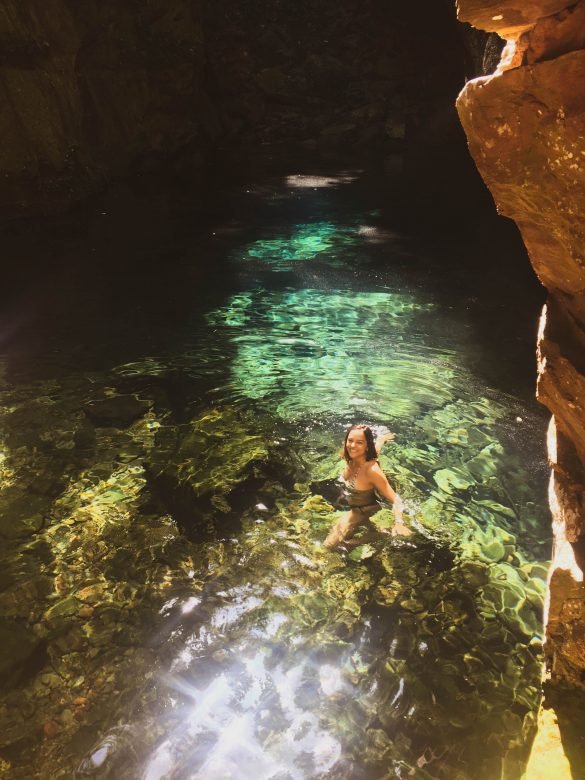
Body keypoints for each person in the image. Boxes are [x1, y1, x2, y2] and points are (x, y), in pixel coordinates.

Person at [323, 424, 411, 548]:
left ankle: (383, 534)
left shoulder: (372, 471)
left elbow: (396, 499)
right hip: (350, 504)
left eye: (359, 442)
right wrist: (381, 440)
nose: (353, 446)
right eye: (350, 440)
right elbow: (375, 452)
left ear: (366, 446)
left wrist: (399, 523)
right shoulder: (350, 456)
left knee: (329, 545)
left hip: (362, 510)